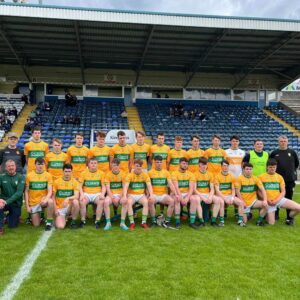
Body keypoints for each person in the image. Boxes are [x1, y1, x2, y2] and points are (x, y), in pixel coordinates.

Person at [259, 158, 300, 225]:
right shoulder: (261, 177)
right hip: (268, 201)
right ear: (267, 167)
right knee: (271, 223)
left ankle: (289, 218)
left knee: (298, 208)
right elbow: (259, 192)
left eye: (274, 167)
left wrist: (277, 200)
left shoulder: (279, 177)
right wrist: (267, 200)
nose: (272, 169)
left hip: (278, 200)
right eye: (270, 167)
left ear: (276, 167)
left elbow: (283, 191)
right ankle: (266, 214)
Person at [270, 135, 299, 223]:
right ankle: (276, 214)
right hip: (276, 180)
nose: (283, 143)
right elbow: (270, 164)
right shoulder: (274, 153)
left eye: (284, 141)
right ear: (278, 142)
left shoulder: (292, 152)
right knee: (276, 197)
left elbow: (296, 164)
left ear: (287, 142)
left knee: (289, 197)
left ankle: (289, 218)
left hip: (289, 180)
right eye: (281, 141)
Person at [123, 159, 154, 230]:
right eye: (137, 166)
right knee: (129, 202)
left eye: (140, 166)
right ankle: (132, 222)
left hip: (141, 195)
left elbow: (149, 186)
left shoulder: (145, 175)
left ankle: (143, 222)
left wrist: (151, 195)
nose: (138, 167)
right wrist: (124, 196)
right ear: (134, 166)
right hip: (131, 195)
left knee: (146, 202)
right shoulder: (129, 175)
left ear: (142, 167)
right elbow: (126, 186)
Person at [25, 158, 54, 231]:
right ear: (35, 165)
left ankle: (49, 223)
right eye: (38, 164)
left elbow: (50, 191)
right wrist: (27, 206)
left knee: (50, 201)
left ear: (44, 165)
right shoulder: (29, 176)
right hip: (33, 202)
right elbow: (26, 192)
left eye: (42, 164)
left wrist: (46, 199)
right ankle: (37, 216)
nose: (40, 166)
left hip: (43, 200)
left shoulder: (48, 175)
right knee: (36, 225)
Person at [148, 156, 177, 228]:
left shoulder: (166, 172)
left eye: (160, 162)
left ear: (162, 163)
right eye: (157, 162)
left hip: (163, 195)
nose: (159, 164)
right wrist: (149, 195)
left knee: (172, 201)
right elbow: (148, 186)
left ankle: (167, 221)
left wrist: (176, 194)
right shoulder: (150, 173)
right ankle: (154, 221)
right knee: (150, 201)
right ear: (154, 163)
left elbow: (171, 184)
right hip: (154, 194)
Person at [214, 160, 245, 226]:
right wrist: (225, 198)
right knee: (222, 202)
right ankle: (222, 221)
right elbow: (217, 191)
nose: (225, 167)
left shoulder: (232, 176)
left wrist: (232, 197)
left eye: (227, 166)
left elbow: (233, 189)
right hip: (220, 196)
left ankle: (240, 221)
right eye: (224, 166)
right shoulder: (217, 176)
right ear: (221, 166)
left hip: (229, 195)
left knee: (240, 203)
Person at [191, 157, 221, 226]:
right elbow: (194, 189)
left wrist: (210, 197)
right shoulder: (195, 174)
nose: (204, 166)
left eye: (205, 164)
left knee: (217, 200)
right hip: (198, 194)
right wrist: (203, 197)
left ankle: (213, 221)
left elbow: (212, 188)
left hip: (207, 194)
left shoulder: (210, 174)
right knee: (198, 200)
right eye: (202, 164)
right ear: (199, 164)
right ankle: (201, 220)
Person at [79, 158, 106, 229]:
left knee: (101, 201)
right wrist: (81, 195)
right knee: (82, 201)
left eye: (95, 163)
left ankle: (97, 221)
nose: (93, 165)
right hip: (86, 193)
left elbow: (104, 186)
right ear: (88, 164)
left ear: (97, 164)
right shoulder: (83, 173)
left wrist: (102, 194)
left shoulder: (102, 173)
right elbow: (79, 186)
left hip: (97, 193)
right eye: (91, 163)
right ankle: (83, 220)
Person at [0, 160, 25, 235]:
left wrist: (6, 201)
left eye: (12, 165)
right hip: (3, 202)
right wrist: (0, 200)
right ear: (6, 168)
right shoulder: (1, 177)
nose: (11, 167)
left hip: (15, 203)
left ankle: (6, 218)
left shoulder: (21, 177)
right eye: (9, 166)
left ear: (15, 167)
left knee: (12, 225)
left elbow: (19, 193)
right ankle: (0, 228)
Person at [104, 158, 129, 231]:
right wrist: (112, 198)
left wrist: (121, 196)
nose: (115, 167)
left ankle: (122, 223)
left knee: (125, 201)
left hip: (120, 194)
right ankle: (108, 223)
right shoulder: (108, 174)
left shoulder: (123, 174)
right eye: (113, 165)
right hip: (111, 194)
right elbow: (108, 189)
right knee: (105, 202)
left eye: (116, 165)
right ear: (111, 165)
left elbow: (125, 187)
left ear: (119, 166)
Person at [53, 164, 80, 229]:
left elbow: (76, 196)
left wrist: (67, 198)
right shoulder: (56, 182)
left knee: (75, 202)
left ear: (71, 172)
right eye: (66, 171)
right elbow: (52, 197)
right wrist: (55, 209)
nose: (67, 173)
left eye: (69, 171)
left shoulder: (75, 182)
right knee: (60, 227)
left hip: (69, 207)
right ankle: (65, 217)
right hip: (60, 208)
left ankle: (73, 222)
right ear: (63, 171)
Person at [171, 157, 195, 229]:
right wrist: (181, 197)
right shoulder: (174, 173)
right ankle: (177, 222)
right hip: (177, 193)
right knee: (177, 199)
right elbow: (176, 187)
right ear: (179, 164)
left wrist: (187, 198)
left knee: (195, 199)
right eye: (183, 163)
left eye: (186, 164)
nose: (185, 165)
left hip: (187, 193)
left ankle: (192, 222)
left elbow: (191, 188)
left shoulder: (191, 174)